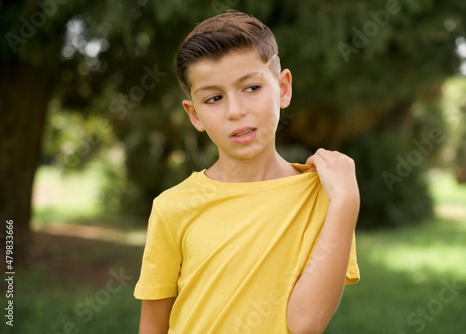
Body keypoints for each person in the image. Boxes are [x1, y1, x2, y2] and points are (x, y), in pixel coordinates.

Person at [134, 9, 360, 334]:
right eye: (213, 98)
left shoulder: (325, 197)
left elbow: (305, 323)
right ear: (194, 114)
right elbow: (152, 327)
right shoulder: (172, 208)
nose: (236, 111)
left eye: (251, 88)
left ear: (283, 89)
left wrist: (346, 202)